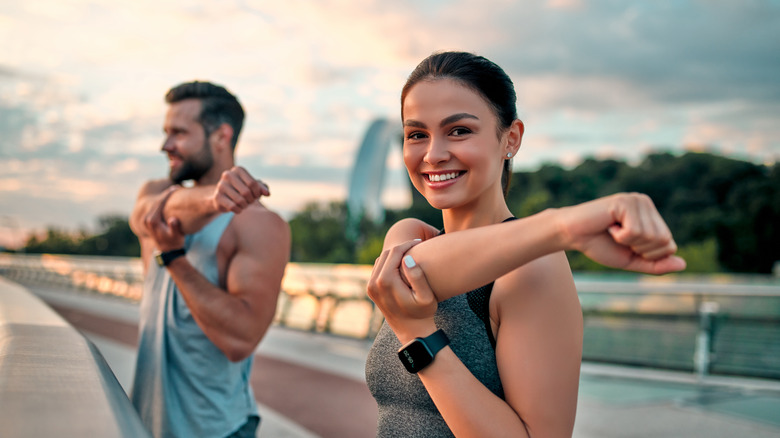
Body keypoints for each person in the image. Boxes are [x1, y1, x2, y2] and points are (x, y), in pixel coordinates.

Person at [364, 51, 686, 437]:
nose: (433, 154)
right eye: (417, 134)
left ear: (510, 139)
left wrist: (420, 339)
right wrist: (560, 226)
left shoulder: (535, 269)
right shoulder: (409, 236)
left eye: (459, 130)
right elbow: (420, 270)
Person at [128, 81, 290, 438]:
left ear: (221, 136)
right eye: (165, 132)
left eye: (178, 133)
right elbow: (148, 215)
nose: (165, 145)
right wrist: (214, 200)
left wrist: (174, 258)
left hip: (218, 430)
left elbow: (240, 340)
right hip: (144, 423)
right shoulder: (156, 194)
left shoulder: (261, 225)